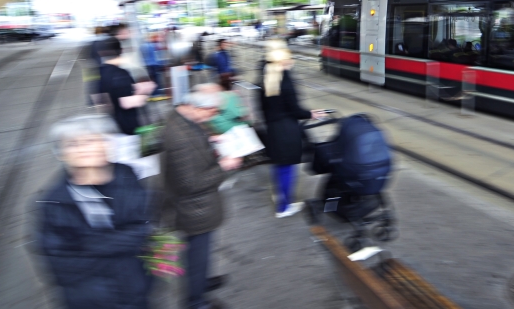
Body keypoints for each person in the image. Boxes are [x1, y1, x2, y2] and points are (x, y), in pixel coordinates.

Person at [35, 115, 152, 309]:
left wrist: (89, 245)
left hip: (137, 291)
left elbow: (144, 229)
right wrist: (122, 243)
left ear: (108, 144)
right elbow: (63, 267)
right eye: (73, 144)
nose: (84, 148)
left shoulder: (127, 175)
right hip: (92, 300)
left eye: (92, 140)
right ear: (61, 153)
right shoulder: (54, 201)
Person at [163, 90, 242, 309]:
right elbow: (189, 184)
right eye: (211, 112)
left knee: (202, 253)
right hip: (194, 210)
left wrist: (210, 139)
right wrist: (224, 167)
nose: (213, 116)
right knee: (197, 256)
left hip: (198, 207)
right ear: (197, 108)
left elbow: (195, 143)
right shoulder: (178, 138)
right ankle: (195, 302)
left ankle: (201, 283)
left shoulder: (182, 118)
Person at [258, 41, 327, 218]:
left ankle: (279, 198)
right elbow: (294, 109)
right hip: (287, 130)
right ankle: (283, 206)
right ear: (284, 59)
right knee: (288, 168)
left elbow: (262, 108)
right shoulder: (286, 80)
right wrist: (311, 114)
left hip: (273, 129)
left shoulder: (264, 77)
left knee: (279, 166)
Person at [99, 36, 156, 135]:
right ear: (121, 51)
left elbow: (102, 102)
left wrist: (135, 88)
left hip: (110, 126)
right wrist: (145, 91)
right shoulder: (120, 74)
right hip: (127, 127)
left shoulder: (100, 73)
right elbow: (126, 103)